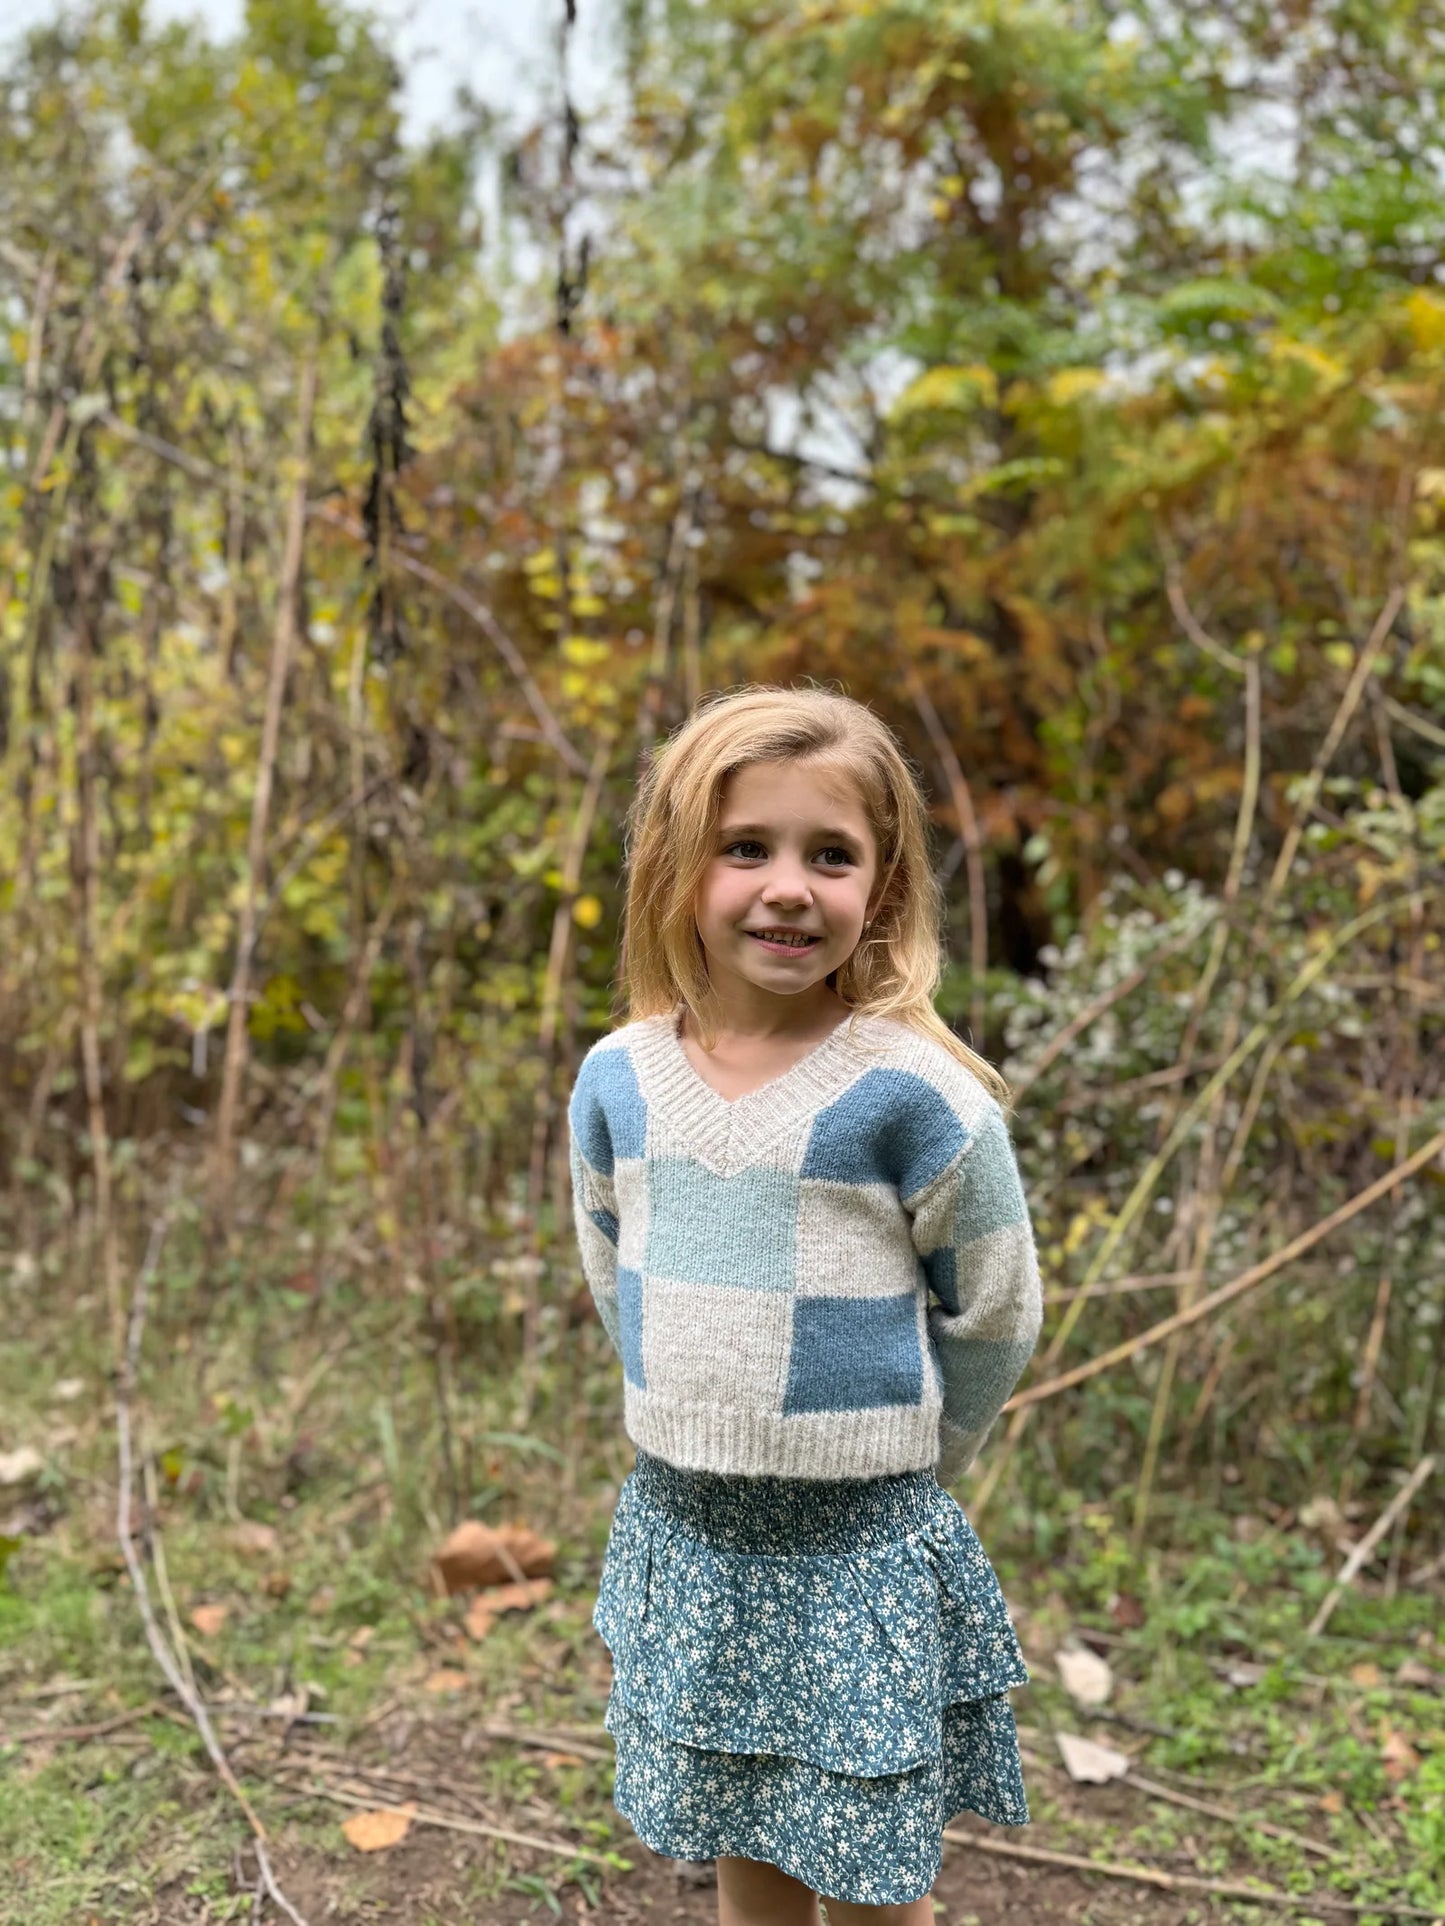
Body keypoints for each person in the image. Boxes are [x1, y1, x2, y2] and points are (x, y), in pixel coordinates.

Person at [567, 683, 1043, 1926]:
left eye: (829, 855)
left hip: (854, 1551)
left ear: (879, 890)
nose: (789, 886)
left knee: (868, 1860)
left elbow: (993, 1309)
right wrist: (684, 1410)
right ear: (678, 868)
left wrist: (918, 1459)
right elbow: (612, 1261)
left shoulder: (912, 1096)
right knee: (744, 1838)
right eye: (746, 847)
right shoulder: (619, 1080)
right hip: (697, 1531)